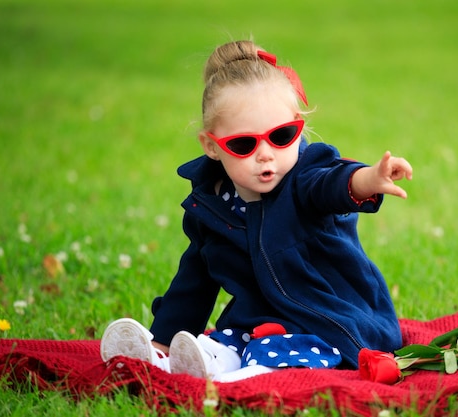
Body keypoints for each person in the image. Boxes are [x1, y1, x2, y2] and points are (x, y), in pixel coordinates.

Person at [101, 40, 413, 382]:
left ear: (297, 126)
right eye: (243, 144)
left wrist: (369, 178)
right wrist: (163, 338)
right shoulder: (212, 206)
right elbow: (194, 282)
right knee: (229, 340)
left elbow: (334, 184)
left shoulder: (305, 178)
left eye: (281, 136)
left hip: (334, 322)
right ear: (212, 147)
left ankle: (249, 375)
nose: (265, 154)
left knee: (274, 348)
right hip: (259, 322)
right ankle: (170, 361)